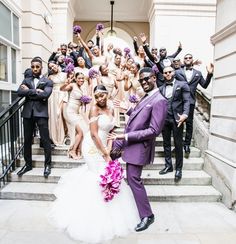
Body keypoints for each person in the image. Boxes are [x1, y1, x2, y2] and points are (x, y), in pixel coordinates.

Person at [49, 85, 139, 243]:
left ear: (106, 94)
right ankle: (89, 218)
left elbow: (110, 131)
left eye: (102, 95)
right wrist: (105, 154)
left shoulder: (110, 107)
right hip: (92, 147)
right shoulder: (93, 109)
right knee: (96, 176)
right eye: (97, 96)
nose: (100, 99)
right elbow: (94, 134)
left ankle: (111, 215)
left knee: (106, 175)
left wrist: (109, 148)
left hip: (105, 145)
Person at [109, 67, 168, 232]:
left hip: (138, 146)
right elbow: (138, 115)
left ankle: (147, 216)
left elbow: (153, 131)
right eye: (141, 80)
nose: (144, 82)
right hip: (128, 141)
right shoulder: (147, 96)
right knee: (108, 159)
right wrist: (127, 109)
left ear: (154, 77)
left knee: (134, 180)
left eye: (147, 78)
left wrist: (126, 137)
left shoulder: (160, 100)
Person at [17, 57, 53, 177]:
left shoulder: (47, 81)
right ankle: (28, 165)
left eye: (37, 66)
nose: (35, 69)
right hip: (27, 114)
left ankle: (47, 165)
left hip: (41, 113)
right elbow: (19, 92)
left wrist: (29, 91)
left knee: (45, 140)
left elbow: (46, 94)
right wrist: (35, 91)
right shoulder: (26, 80)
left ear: (41, 67)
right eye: (33, 67)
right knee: (27, 140)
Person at [175, 53, 214, 155]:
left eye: (190, 58)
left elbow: (204, 85)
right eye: (186, 58)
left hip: (191, 102)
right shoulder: (177, 72)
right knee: (178, 123)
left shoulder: (198, 73)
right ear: (183, 60)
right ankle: (178, 144)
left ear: (192, 60)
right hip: (179, 102)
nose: (188, 59)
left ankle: (187, 144)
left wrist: (209, 74)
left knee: (189, 123)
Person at [159, 66, 190, 182]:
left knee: (178, 144)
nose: (167, 74)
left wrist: (185, 114)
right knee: (166, 143)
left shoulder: (182, 85)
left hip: (178, 119)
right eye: (165, 72)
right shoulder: (161, 88)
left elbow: (187, 101)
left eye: (169, 72)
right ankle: (168, 166)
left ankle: (178, 169)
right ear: (163, 74)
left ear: (173, 73)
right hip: (165, 119)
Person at [60, 72, 89, 159]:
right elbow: (62, 89)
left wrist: (85, 101)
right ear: (75, 79)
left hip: (76, 112)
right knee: (80, 131)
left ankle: (78, 151)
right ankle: (72, 150)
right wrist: (65, 83)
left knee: (84, 130)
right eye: (79, 78)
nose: (81, 80)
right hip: (70, 112)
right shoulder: (72, 85)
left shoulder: (81, 88)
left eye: (82, 78)